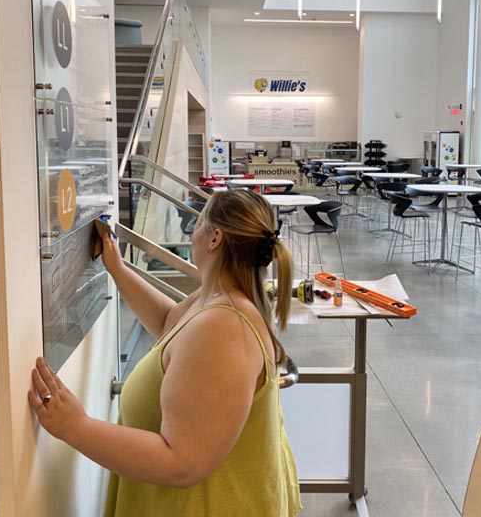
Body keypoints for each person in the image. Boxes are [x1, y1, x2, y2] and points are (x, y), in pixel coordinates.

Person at [29, 190, 301, 516]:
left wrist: (76, 427)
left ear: (215, 238)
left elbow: (182, 463)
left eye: (199, 223)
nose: (192, 232)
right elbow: (168, 323)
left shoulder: (224, 328)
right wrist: (116, 267)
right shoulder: (216, 297)